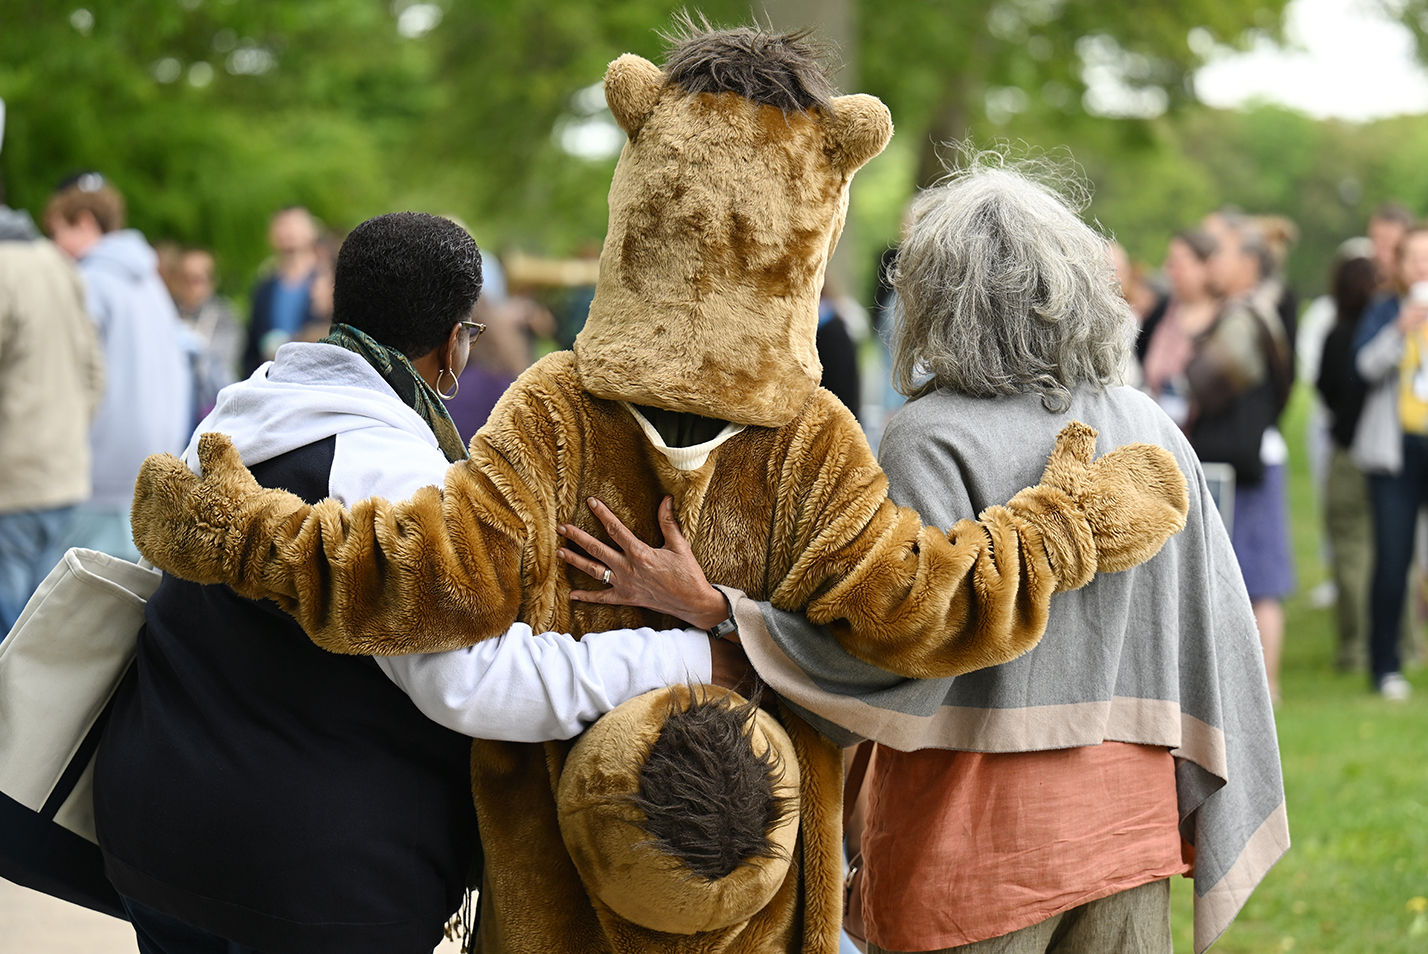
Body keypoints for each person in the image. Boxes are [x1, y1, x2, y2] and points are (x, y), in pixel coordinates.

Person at [585, 160, 1283, 953]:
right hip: (1131, 834)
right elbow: (1222, 638)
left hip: (975, 846)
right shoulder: (1150, 425)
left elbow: (897, 642)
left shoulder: (931, 433)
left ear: (936, 296)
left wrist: (722, 614)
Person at [93, 212, 751, 954]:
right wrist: (691, 660)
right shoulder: (395, 475)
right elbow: (471, 680)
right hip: (307, 878)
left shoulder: (238, 418)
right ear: (453, 345)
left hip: (157, 835)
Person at [43, 172, 192, 560]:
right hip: (154, 464)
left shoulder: (89, 280)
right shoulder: (149, 281)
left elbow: (70, 376)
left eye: (58, 231)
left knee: (70, 602)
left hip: (100, 472)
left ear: (85, 223)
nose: (54, 245)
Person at [1192, 213, 1295, 702]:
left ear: (1250, 263)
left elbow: (1206, 381)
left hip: (1250, 460)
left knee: (1259, 574)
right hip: (1253, 453)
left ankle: (1265, 684)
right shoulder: (1253, 309)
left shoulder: (1245, 315)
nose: (1215, 260)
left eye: (1225, 252)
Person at [0, 173, 105, 631]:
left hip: (13, 483)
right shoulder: (57, 263)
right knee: (36, 632)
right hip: (64, 475)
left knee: (8, 632)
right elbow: (96, 376)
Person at [1349, 223, 1428, 700]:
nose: (1422, 265)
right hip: (1394, 456)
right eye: (1414, 257)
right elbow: (1363, 368)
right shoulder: (1385, 311)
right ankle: (1385, 665)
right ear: (1399, 265)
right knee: (1393, 559)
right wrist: (1402, 329)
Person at [1314, 242, 1378, 672]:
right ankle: (1402, 641)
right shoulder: (1381, 332)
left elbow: (1323, 386)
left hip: (1349, 449)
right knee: (1394, 549)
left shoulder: (1338, 335)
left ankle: (1356, 645)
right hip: (1387, 451)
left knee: (1352, 548)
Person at [1138, 228, 1221, 428]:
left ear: (1206, 267)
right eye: (1170, 263)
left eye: (1179, 264)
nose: (1170, 271)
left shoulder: (1224, 318)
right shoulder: (1163, 311)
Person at [243, 206, 324, 374]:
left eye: (294, 224)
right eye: (282, 225)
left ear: (312, 230)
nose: (288, 231)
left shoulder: (326, 282)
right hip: (271, 377)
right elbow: (251, 344)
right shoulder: (263, 288)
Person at [170, 246, 243, 421]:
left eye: (197, 279)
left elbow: (222, 362)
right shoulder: (168, 313)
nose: (190, 286)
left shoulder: (225, 316)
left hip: (210, 410)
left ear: (210, 281)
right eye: (185, 279)